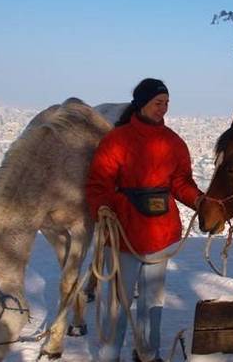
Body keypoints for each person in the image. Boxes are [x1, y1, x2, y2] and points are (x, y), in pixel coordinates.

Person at [86, 78, 203, 362]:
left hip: (160, 233)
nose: (162, 109)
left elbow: (180, 182)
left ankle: (148, 354)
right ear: (141, 104)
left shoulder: (174, 142)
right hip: (123, 232)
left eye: (165, 103)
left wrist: (200, 200)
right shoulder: (117, 140)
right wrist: (105, 207)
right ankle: (109, 355)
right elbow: (98, 184)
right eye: (157, 103)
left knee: (153, 302)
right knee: (117, 301)